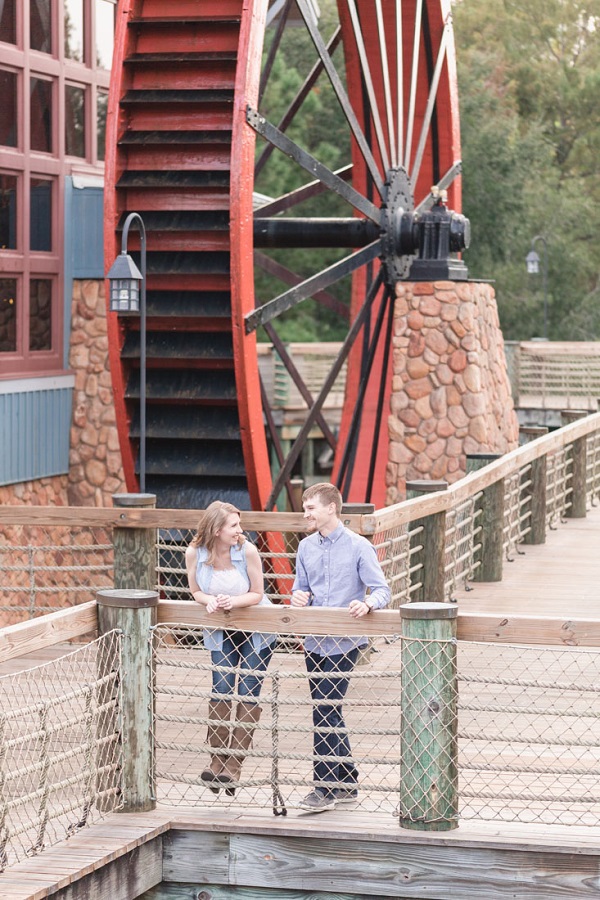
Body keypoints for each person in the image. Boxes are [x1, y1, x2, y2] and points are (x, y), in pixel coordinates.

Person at [291, 482, 391, 813]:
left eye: (311, 508)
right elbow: (300, 590)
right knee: (328, 708)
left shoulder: (359, 547)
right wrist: (298, 598)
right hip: (313, 640)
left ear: (331, 508)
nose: (305, 513)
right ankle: (347, 780)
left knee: (325, 708)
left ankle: (324, 789)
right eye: (305, 508)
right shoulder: (305, 547)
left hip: (346, 641)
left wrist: (367, 605)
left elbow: (382, 590)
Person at [186, 501, 275, 796]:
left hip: (255, 629)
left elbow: (258, 593)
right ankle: (217, 761)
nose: (240, 530)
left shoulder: (247, 550)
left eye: (239, 524)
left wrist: (230, 602)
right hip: (219, 628)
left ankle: (234, 766)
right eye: (234, 526)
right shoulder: (194, 553)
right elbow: (195, 590)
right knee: (221, 687)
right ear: (216, 529)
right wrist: (206, 600)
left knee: (248, 690)